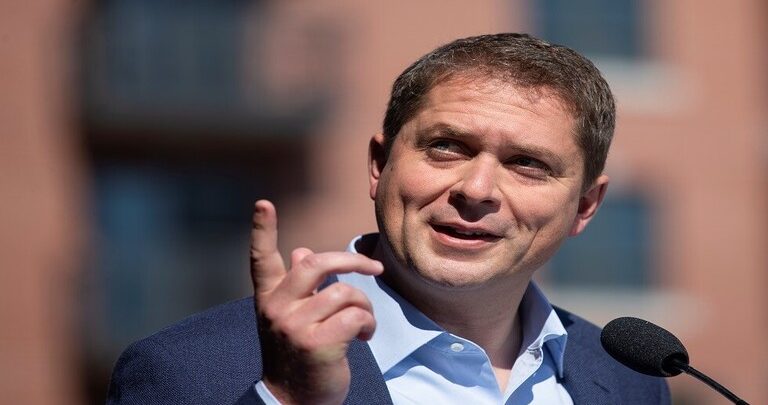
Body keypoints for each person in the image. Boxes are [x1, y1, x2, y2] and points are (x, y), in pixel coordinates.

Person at [107, 33, 670, 404]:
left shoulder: (628, 379)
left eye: (527, 164)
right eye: (446, 147)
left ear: (585, 206)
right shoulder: (189, 372)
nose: (476, 190)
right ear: (379, 165)